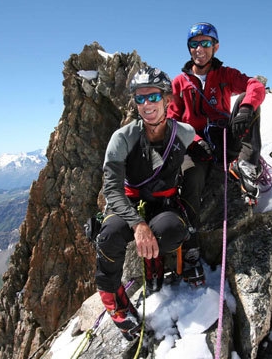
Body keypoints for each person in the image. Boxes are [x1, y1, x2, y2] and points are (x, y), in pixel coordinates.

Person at [94, 66, 196, 341]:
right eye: (140, 99)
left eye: (152, 97)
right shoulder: (123, 138)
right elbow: (112, 189)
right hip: (129, 203)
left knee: (172, 231)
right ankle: (116, 306)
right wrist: (138, 224)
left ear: (167, 99)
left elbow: (202, 159)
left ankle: (155, 269)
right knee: (109, 237)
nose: (147, 104)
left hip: (164, 203)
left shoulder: (184, 133)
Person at [168, 21, 266, 252]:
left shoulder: (225, 74)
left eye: (205, 43)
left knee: (248, 103)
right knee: (192, 179)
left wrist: (245, 109)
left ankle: (246, 164)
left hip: (224, 138)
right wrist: (192, 141)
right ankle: (190, 240)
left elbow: (255, 86)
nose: (199, 49)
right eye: (194, 44)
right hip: (199, 146)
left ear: (215, 47)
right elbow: (173, 119)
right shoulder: (180, 83)